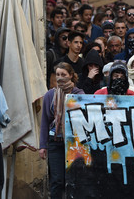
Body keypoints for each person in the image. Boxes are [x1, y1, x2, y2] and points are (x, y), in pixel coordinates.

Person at [39, 63, 85, 199]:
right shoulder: (50, 95)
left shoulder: (78, 94)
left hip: (74, 142)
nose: (60, 78)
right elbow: (45, 121)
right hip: (55, 140)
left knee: (73, 179)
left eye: (63, 75)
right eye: (57, 74)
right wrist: (42, 145)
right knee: (57, 180)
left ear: (71, 75)